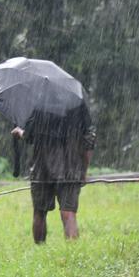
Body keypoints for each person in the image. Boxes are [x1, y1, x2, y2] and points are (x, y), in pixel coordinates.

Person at [11, 103, 95, 243]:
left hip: (42, 170)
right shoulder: (77, 105)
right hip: (70, 169)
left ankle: (39, 249)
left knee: (39, 212)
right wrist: (83, 171)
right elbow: (89, 141)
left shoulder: (39, 105)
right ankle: (73, 254)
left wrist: (19, 132)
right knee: (68, 213)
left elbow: (29, 136)